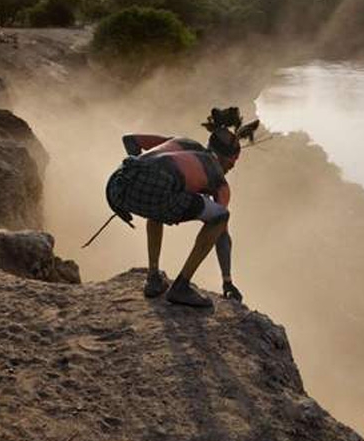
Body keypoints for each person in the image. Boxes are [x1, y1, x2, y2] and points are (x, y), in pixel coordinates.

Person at [106, 108, 255, 307]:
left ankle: (153, 277)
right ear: (225, 160)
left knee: (158, 206)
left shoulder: (182, 143)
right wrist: (227, 281)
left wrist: (137, 178)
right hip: (155, 189)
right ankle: (181, 287)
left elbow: (130, 140)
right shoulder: (218, 181)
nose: (228, 170)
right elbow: (221, 233)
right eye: (230, 166)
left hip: (117, 185)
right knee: (220, 217)